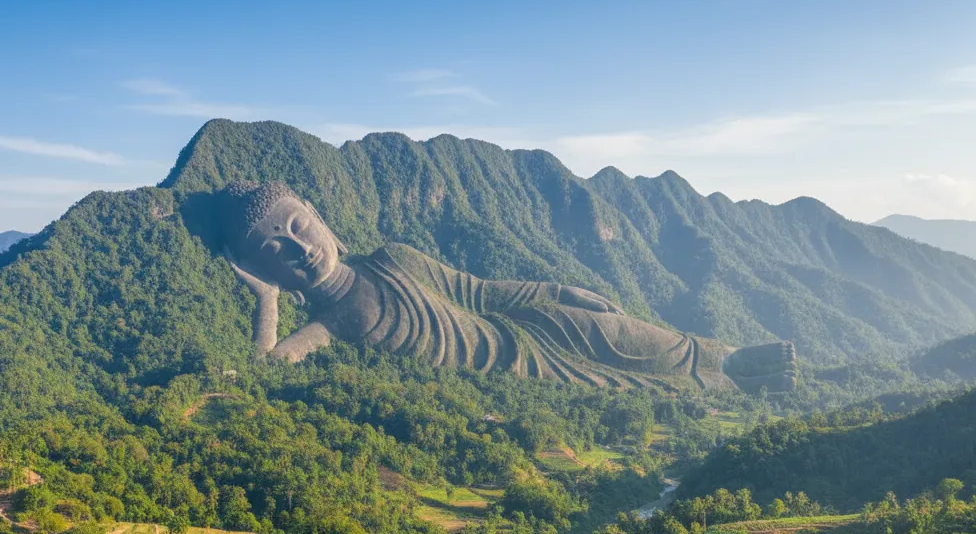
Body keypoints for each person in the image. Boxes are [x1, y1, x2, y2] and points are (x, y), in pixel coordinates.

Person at [220, 181, 796, 393]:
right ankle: (736, 387)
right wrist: (267, 305)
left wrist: (560, 290)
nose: (300, 248)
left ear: (320, 217)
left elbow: (479, 291)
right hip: (515, 370)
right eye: (276, 250)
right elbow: (267, 365)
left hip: (526, 321)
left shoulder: (394, 258)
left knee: (621, 332)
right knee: (626, 386)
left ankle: (731, 358)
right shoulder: (328, 323)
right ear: (268, 270)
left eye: (300, 226)